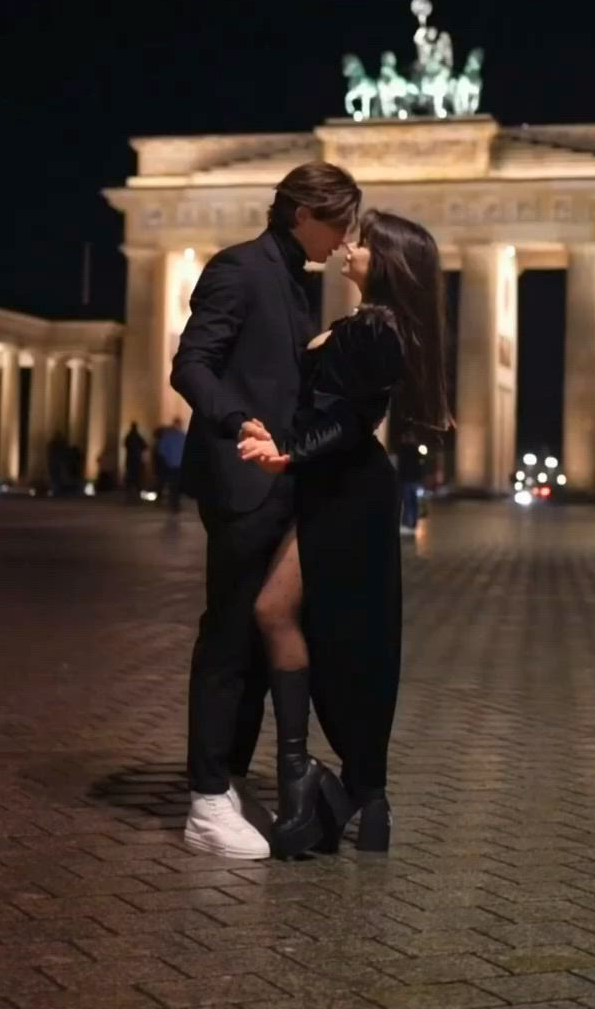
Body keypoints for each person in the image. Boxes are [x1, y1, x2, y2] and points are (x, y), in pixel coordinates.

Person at [239, 209, 450, 858]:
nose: (347, 247)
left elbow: (353, 420)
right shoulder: (383, 327)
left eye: (360, 241)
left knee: (285, 612)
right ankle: (360, 791)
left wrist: (288, 452)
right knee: (354, 632)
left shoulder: (374, 329)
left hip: (346, 488)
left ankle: (317, 780)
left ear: (385, 257)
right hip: (341, 486)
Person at [171, 161, 362, 859]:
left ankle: (223, 782)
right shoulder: (240, 268)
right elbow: (191, 364)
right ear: (302, 212)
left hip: (279, 481)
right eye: (338, 224)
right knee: (226, 635)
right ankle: (204, 799)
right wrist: (238, 421)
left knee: (255, 633)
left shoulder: (290, 281)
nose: (344, 241)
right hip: (240, 478)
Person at [156, 417, 186, 511]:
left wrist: (167, 460)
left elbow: (161, 450)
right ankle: (175, 503)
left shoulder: (168, 436)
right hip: (178, 465)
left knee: (173, 485)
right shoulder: (182, 436)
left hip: (172, 465)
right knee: (176, 485)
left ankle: (173, 503)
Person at [397, 429, 423, 536]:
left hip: (407, 480)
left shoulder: (403, 450)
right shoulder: (416, 451)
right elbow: (421, 465)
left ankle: (407, 523)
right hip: (414, 480)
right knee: (414, 502)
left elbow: (401, 466)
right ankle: (413, 523)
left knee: (408, 502)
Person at [123, 422, 147, 499]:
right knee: (136, 477)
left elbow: (125, 445)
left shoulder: (129, 437)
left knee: (131, 477)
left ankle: (130, 495)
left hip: (131, 459)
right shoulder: (137, 437)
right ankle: (136, 495)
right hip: (136, 460)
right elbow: (145, 446)